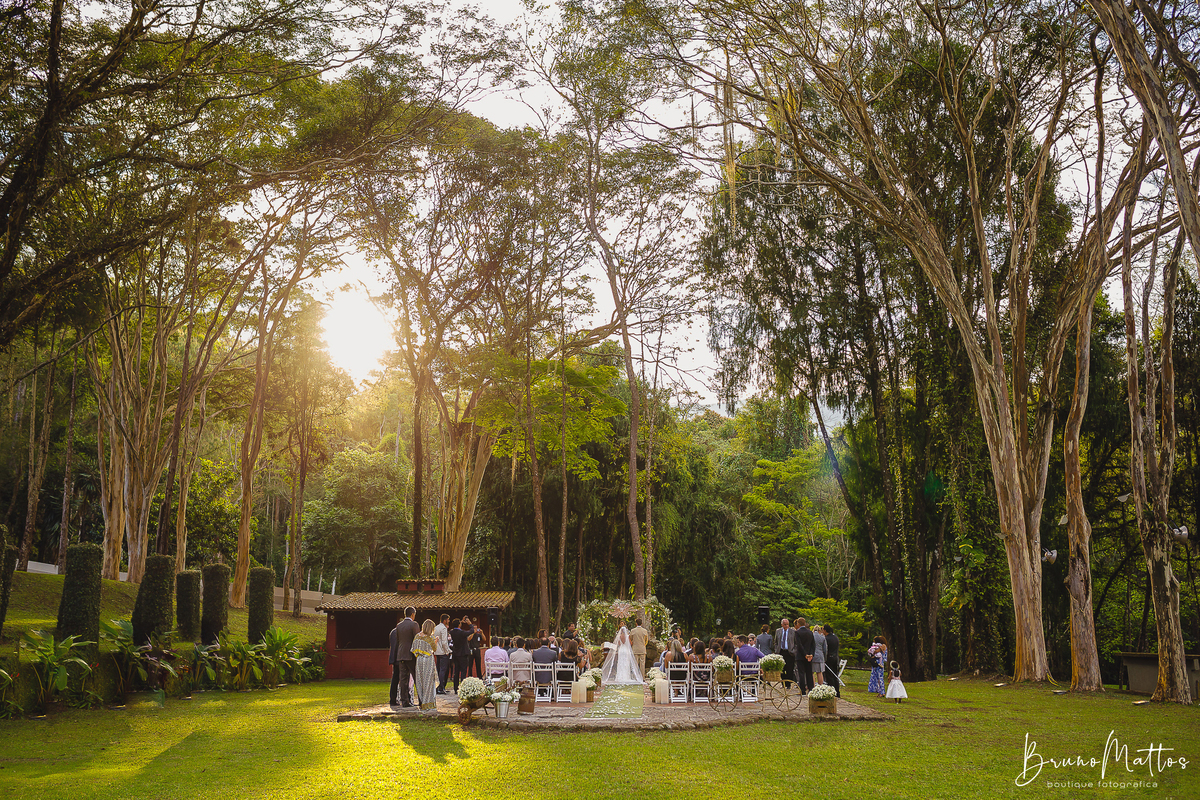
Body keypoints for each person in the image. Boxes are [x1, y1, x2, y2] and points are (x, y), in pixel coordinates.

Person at [389, 606, 419, 708]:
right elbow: (416, 640)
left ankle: (404, 701)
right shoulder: (414, 624)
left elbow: (397, 641)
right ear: (413, 614)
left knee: (403, 679)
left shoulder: (399, 626)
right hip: (410, 655)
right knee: (416, 677)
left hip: (400, 655)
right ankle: (421, 700)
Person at [411, 619, 438, 712]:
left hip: (419, 660)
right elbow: (434, 649)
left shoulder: (417, 636)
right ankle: (428, 702)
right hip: (428, 660)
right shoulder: (430, 638)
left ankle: (422, 702)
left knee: (420, 681)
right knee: (428, 681)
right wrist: (436, 642)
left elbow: (413, 649)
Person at [449, 618, 473, 690]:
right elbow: (471, 631)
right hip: (463, 653)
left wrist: (460, 622)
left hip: (455, 653)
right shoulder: (462, 633)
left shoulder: (452, 632)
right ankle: (462, 687)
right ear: (459, 625)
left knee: (456, 671)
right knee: (463, 671)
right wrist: (470, 624)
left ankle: (455, 688)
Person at [794, 616, 815, 693]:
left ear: (798, 624)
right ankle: (811, 689)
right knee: (809, 673)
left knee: (801, 673)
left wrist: (805, 654)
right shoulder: (810, 632)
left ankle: (802, 690)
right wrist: (811, 654)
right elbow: (813, 645)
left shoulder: (797, 632)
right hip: (809, 656)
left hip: (801, 656)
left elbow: (799, 645)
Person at [774, 618, 797, 687]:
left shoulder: (793, 631)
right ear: (782, 624)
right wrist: (776, 650)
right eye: (785, 624)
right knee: (782, 668)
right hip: (781, 651)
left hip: (790, 652)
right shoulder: (778, 631)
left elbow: (796, 643)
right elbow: (776, 642)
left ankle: (788, 683)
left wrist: (794, 650)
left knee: (790, 668)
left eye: (787, 624)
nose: (786, 626)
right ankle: (783, 683)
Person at [433, 614, 451, 694]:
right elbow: (444, 642)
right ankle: (441, 687)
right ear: (445, 620)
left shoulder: (436, 627)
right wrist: (447, 651)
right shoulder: (443, 628)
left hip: (437, 651)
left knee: (438, 669)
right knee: (443, 670)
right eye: (448, 620)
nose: (449, 621)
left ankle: (438, 687)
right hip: (443, 652)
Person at [822, 624, 842, 698]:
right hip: (835, 658)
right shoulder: (835, 637)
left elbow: (825, 649)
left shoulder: (826, 639)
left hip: (829, 658)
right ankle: (837, 692)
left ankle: (832, 691)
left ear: (825, 630)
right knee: (835, 675)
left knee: (829, 676)